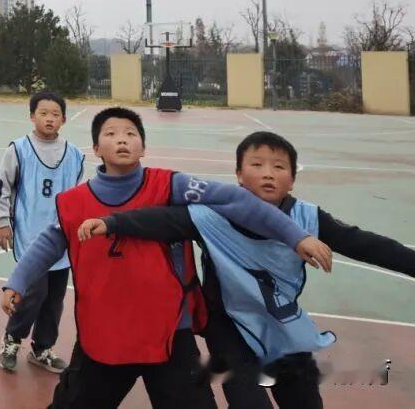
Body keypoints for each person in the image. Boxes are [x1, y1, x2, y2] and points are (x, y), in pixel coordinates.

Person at [1, 107, 333, 409]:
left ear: (143, 148)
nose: (122, 140)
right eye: (111, 134)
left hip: (170, 331)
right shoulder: (74, 203)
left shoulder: (171, 186)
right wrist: (16, 282)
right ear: (96, 150)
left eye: (131, 134)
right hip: (105, 333)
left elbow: (235, 199)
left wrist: (295, 234)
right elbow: (47, 244)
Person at [79, 130, 415, 409]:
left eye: (279, 166)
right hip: (227, 326)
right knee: (247, 399)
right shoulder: (212, 215)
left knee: (303, 398)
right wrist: (112, 223)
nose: (268, 173)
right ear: (239, 176)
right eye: (257, 164)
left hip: (280, 323)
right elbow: (163, 219)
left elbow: (366, 244)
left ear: (292, 179)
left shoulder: (308, 218)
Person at [0, 90, 84, 373]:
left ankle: (42, 348)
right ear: (32, 117)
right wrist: (1, 222)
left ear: (64, 120)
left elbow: (81, 197)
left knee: (55, 298)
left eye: (56, 114)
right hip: (30, 236)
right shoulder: (18, 149)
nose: (49, 119)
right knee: (34, 293)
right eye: (43, 113)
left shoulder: (75, 155)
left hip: (62, 238)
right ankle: (12, 339)